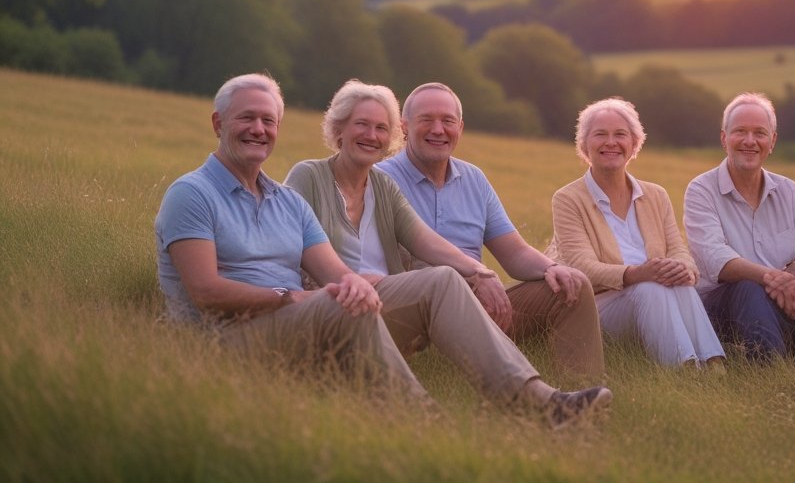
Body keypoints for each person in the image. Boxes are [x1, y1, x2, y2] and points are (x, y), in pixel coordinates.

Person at [155, 73, 608, 426]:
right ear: (218, 123)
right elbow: (206, 293)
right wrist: (297, 297)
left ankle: (539, 403)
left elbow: (336, 270)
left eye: (268, 121)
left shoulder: (285, 201)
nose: (258, 129)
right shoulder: (192, 193)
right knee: (343, 303)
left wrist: (367, 285)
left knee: (439, 279)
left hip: (299, 323)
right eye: (246, 118)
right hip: (226, 343)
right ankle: (425, 423)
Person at [377, 82, 604, 383]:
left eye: (447, 121)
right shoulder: (380, 180)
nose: (438, 129)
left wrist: (552, 268)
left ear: (460, 127)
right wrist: (475, 274)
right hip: (416, 311)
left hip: (479, 307)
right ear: (404, 127)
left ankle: (582, 389)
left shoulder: (474, 179)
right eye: (426, 120)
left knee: (571, 285)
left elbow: (515, 253)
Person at [549, 98, 725, 368]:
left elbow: (678, 248)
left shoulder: (656, 195)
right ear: (584, 145)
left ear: (634, 144)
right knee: (649, 287)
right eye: (600, 135)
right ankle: (683, 370)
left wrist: (683, 268)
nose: (611, 142)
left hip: (654, 297)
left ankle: (714, 366)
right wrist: (636, 274)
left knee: (678, 282)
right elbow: (581, 267)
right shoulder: (568, 199)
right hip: (597, 310)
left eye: (620, 134)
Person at [684, 92, 795, 362]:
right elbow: (715, 258)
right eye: (740, 131)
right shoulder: (701, 190)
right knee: (748, 288)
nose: (750, 141)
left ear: (772, 141)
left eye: (760, 133)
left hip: (782, 302)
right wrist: (772, 278)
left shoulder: (789, 191)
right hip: (720, 307)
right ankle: (771, 373)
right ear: (724, 138)